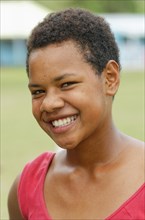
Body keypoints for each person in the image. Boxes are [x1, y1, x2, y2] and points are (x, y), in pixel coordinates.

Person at [8, 8, 144, 220]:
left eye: (66, 84)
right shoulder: (26, 188)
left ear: (110, 78)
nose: (49, 104)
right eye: (38, 92)